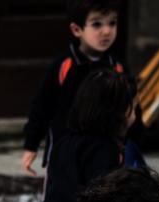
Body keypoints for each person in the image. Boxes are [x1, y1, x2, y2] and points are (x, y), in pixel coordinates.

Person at [21, 0, 132, 176]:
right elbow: (42, 106)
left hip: (103, 153)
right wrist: (31, 145)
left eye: (112, 23)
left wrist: (129, 144)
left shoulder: (117, 68)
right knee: (60, 199)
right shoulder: (64, 66)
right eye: (97, 24)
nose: (107, 31)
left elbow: (130, 112)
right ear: (76, 29)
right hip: (63, 151)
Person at [38, 68, 136, 202]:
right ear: (119, 112)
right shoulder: (106, 149)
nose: (135, 114)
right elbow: (102, 201)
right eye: (133, 108)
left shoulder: (65, 142)